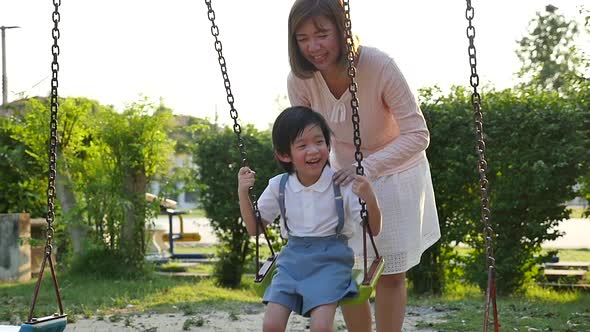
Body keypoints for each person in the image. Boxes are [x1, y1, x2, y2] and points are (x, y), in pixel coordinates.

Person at [286, 0, 442, 331]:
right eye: (302, 38)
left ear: (343, 31)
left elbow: (417, 134)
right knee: (345, 268)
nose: (313, 47)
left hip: (396, 170)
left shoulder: (379, 65)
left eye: (322, 34)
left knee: (388, 271)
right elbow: (307, 140)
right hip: (344, 173)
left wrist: (368, 167)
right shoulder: (300, 80)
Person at [238, 106, 382, 332]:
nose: (314, 150)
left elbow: (373, 230)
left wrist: (369, 197)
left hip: (331, 262)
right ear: (285, 154)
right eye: (302, 145)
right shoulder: (279, 186)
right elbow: (255, 229)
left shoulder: (341, 184)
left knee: (321, 327)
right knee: (271, 325)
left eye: (319, 141)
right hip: (291, 262)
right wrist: (243, 193)